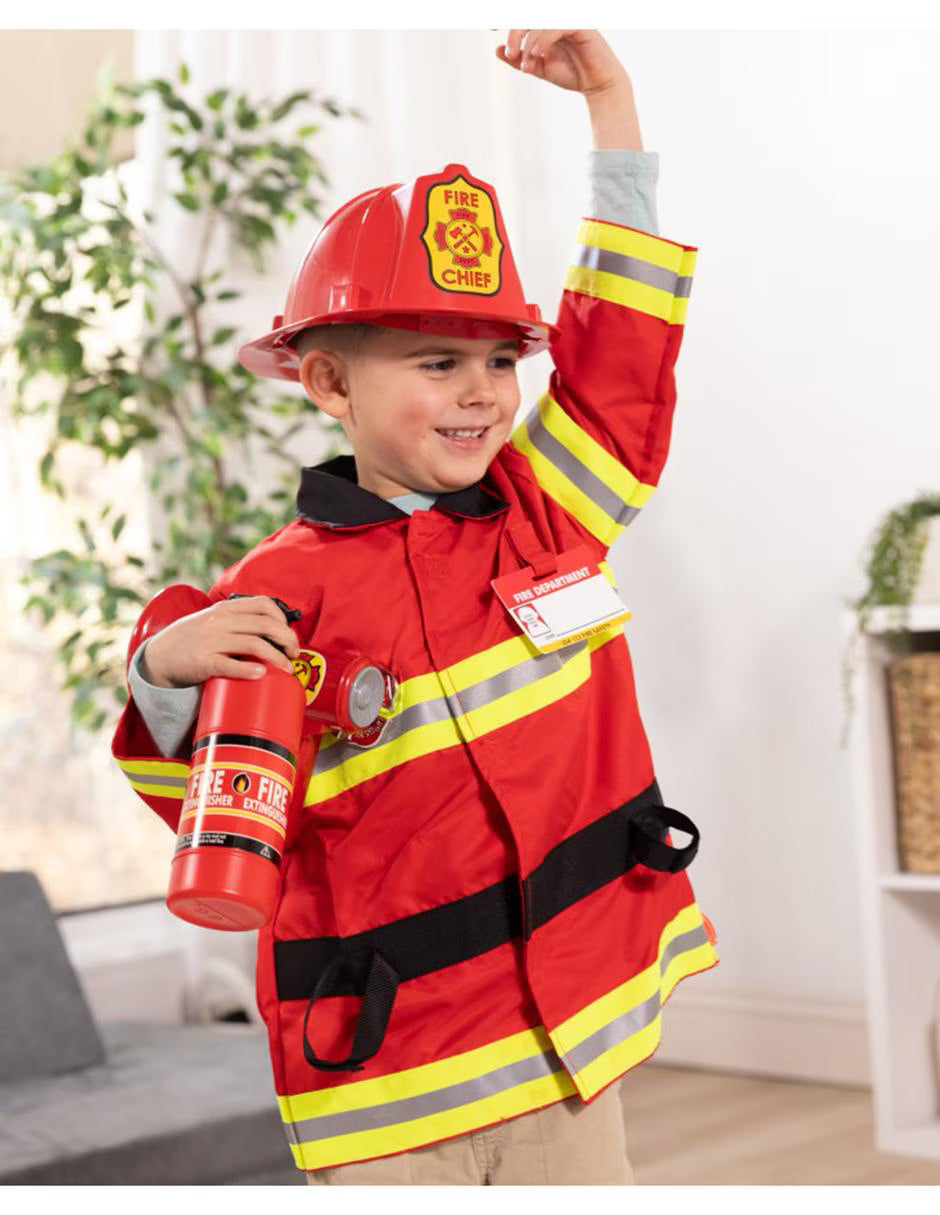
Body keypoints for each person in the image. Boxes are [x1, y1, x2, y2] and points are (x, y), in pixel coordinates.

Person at [112, 29, 719, 1185]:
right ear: (329, 382)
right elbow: (221, 811)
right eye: (436, 364)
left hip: (564, 1041)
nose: (481, 394)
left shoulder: (550, 513)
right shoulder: (271, 596)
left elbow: (624, 359)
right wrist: (163, 676)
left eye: (500, 362)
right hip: (390, 1071)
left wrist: (612, 113)